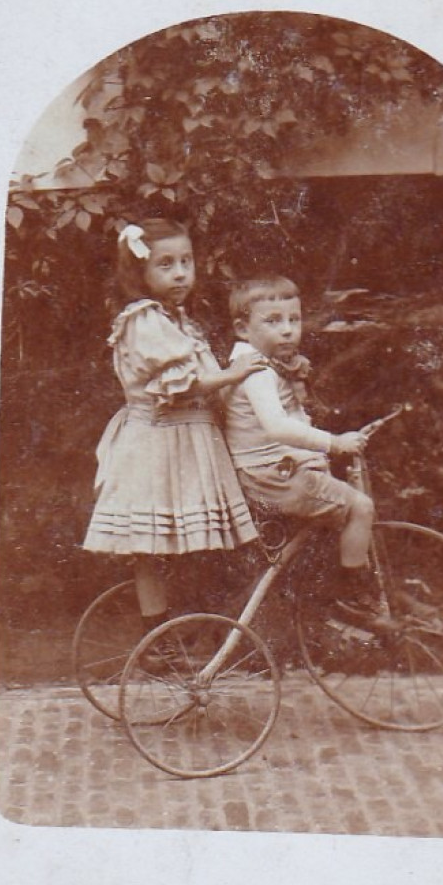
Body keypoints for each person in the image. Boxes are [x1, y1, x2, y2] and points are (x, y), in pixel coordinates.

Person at [83, 219, 265, 630]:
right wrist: (235, 373)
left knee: (192, 538)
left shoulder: (178, 321)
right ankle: (159, 637)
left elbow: (208, 383)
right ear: (141, 273)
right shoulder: (143, 320)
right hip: (158, 443)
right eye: (166, 264)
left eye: (186, 261)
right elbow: (186, 386)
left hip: (191, 439)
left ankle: (192, 627)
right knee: (151, 543)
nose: (181, 272)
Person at [223, 275, 383, 630]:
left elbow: (295, 420)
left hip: (277, 470)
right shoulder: (256, 371)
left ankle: (329, 601)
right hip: (272, 478)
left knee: (339, 513)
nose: (287, 331)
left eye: (293, 320)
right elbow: (277, 427)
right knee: (361, 507)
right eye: (273, 321)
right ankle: (351, 599)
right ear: (242, 328)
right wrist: (334, 442)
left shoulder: (267, 364)